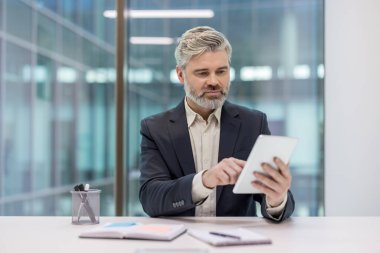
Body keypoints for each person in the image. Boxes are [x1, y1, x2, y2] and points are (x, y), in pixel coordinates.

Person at [139, 26, 295, 222]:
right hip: (180, 240)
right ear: (180, 75)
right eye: (203, 73)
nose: (214, 81)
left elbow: (269, 198)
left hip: (237, 241)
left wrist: (276, 198)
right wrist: (205, 180)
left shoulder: (253, 123)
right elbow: (150, 198)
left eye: (221, 71)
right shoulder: (155, 129)